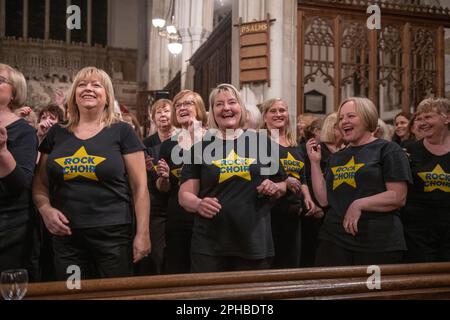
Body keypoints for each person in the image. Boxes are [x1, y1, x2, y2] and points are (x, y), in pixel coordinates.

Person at [32, 66, 150, 280]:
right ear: (74, 95)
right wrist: (45, 209)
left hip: (113, 236)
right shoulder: (57, 133)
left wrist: (143, 233)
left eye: (97, 85)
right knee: (73, 291)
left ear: (107, 97)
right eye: (82, 84)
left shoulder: (122, 131)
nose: (89, 89)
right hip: (66, 237)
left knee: (115, 295)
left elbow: (140, 187)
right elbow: (40, 184)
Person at [179, 84, 287, 273]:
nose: (226, 108)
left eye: (232, 102)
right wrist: (198, 204)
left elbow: (284, 183)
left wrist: (275, 187)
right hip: (210, 245)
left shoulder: (262, 142)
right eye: (219, 104)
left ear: (241, 108)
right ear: (212, 112)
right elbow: (184, 194)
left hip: (253, 242)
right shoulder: (200, 147)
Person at [306, 97, 412, 266]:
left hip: (377, 242)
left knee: (372, 293)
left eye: (351, 116)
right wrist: (315, 163)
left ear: (367, 117)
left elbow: (398, 196)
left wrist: (359, 204)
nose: (344, 122)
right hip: (334, 239)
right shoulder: (337, 157)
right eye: (341, 118)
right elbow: (324, 199)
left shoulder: (389, 149)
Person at [156, 90, 207, 274]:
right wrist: (165, 178)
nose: (182, 107)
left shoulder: (214, 139)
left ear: (199, 108)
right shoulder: (169, 145)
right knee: (176, 268)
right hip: (177, 215)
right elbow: (164, 189)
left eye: (188, 103)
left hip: (205, 214)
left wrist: (195, 140)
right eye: (178, 105)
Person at [261, 98, 315, 269]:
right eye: (273, 111)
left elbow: (302, 177)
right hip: (270, 213)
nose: (279, 114)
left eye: (282, 110)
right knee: (271, 265)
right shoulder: (260, 143)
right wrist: (284, 183)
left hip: (293, 214)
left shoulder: (296, 147)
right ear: (264, 117)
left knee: (291, 264)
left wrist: (307, 197)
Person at [0, 64, 39, 273]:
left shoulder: (23, 132)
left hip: (8, 227)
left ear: (14, 91)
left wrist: (3, 152)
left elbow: (19, 185)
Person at [403, 98, 450, 262]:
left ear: (447, 118)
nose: (422, 122)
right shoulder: (408, 151)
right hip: (417, 235)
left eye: (428, 117)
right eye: (420, 118)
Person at [137, 99, 174, 276]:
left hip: (177, 201)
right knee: (156, 255)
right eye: (158, 112)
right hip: (156, 203)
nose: (163, 115)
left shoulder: (183, 140)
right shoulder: (146, 143)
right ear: (153, 118)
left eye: (166, 111)